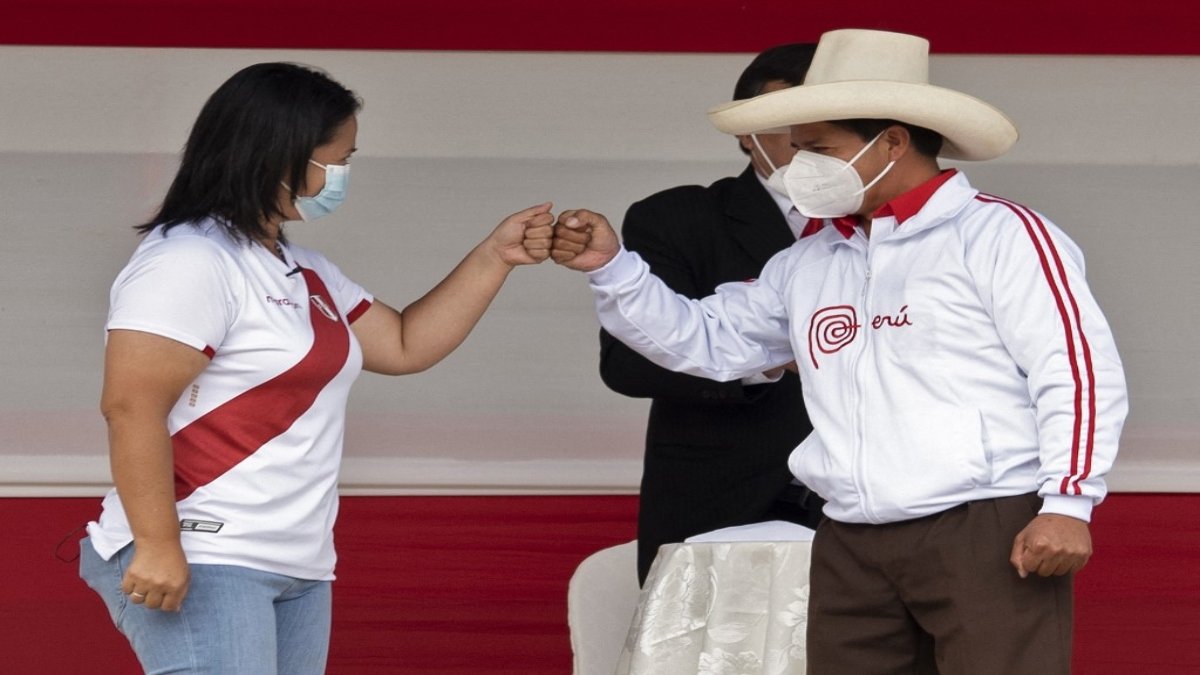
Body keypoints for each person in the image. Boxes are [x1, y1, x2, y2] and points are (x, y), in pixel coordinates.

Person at [550, 29, 1128, 674]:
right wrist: (614, 269)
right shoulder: (810, 258)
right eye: (796, 151)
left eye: (819, 149)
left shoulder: (1001, 235)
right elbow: (707, 340)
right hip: (851, 537)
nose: (801, 169)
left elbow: (1075, 369)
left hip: (982, 523)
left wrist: (1069, 503)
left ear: (892, 142)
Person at [78, 62, 553, 673]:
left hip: (296, 563)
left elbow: (405, 344)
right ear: (280, 156)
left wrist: (496, 256)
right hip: (206, 554)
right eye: (338, 158)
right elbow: (130, 405)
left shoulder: (302, 268)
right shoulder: (190, 259)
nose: (343, 175)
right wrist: (159, 544)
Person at [597, 43, 824, 584]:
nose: (808, 142)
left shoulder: (891, 227)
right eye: (787, 123)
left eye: (827, 123)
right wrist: (767, 361)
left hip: (875, 503)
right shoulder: (678, 217)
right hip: (722, 496)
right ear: (744, 133)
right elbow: (627, 365)